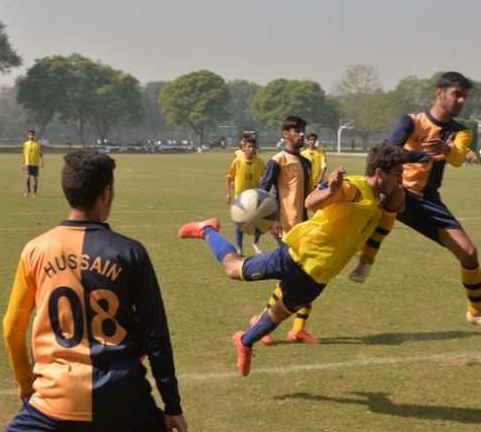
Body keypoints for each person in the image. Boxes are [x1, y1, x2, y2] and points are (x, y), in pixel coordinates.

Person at [179, 141, 406, 376]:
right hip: (296, 257)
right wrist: (331, 191)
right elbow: (311, 201)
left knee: (278, 315)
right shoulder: (355, 188)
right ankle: (207, 230)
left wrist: (365, 262)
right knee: (233, 269)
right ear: (380, 173)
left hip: (320, 277)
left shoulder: (379, 202)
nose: (400, 180)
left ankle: (245, 342)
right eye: (398, 173)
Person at [3, 149, 188, 432]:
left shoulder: (34, 250)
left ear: (67, 190)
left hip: (52, 404)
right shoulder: (131, 252)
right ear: (107, 193)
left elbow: (11, 327)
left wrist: (26, 384)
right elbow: (156, 335)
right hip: (124, 402)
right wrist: (172, 406)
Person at [348, 72, 481, 326]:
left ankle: (475, 311)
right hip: (398, 191)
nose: (462, 100)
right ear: (439, 93)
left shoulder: (461, 131)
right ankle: (366, 260)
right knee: (395, 193)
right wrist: (422, 156)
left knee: (469, 253)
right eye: (457, 94)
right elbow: (390, 152)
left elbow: (457, 159)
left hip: (428, 200)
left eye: (464, 96)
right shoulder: (411, 121)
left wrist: (445, 149)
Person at [255, 116, 317, 345]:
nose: (301, 134)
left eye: (303, 130)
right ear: (285, 134)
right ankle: (261, 322)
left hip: (303, 228)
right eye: (296, 131)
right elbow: (263, 192)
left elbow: (308, 197)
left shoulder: (306, 162)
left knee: (312, 275)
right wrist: (272, 219)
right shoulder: (277, 160)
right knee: (296, 277)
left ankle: (298, 329)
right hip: (283, 228)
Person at [226, 136, 266, 255]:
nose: (251, 149)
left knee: (259, 221)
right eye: (249, 146)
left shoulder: (259, 162)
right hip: (240, 198)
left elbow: (265, 177)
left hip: (255, 197)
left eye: (253, 147)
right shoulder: (238, 161)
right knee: (240, 223)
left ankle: (256, 243)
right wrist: (228, 193)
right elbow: (229, 176)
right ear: (244, 148)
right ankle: (239, 248)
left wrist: (263, 192)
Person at [22, 130, 44, 197]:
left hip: (35, 163)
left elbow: (40, 154)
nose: (31, 135)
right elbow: (24, 154)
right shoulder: (25, 144)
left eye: (32, 134)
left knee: (35, 178)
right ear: (28, 135)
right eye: (30, 134)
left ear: (34, 135)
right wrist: (23, 163)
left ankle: (34, 193)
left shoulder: (37, 144)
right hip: (28, 162)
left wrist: (41, 162)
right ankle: (28, 190)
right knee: (27, 176)